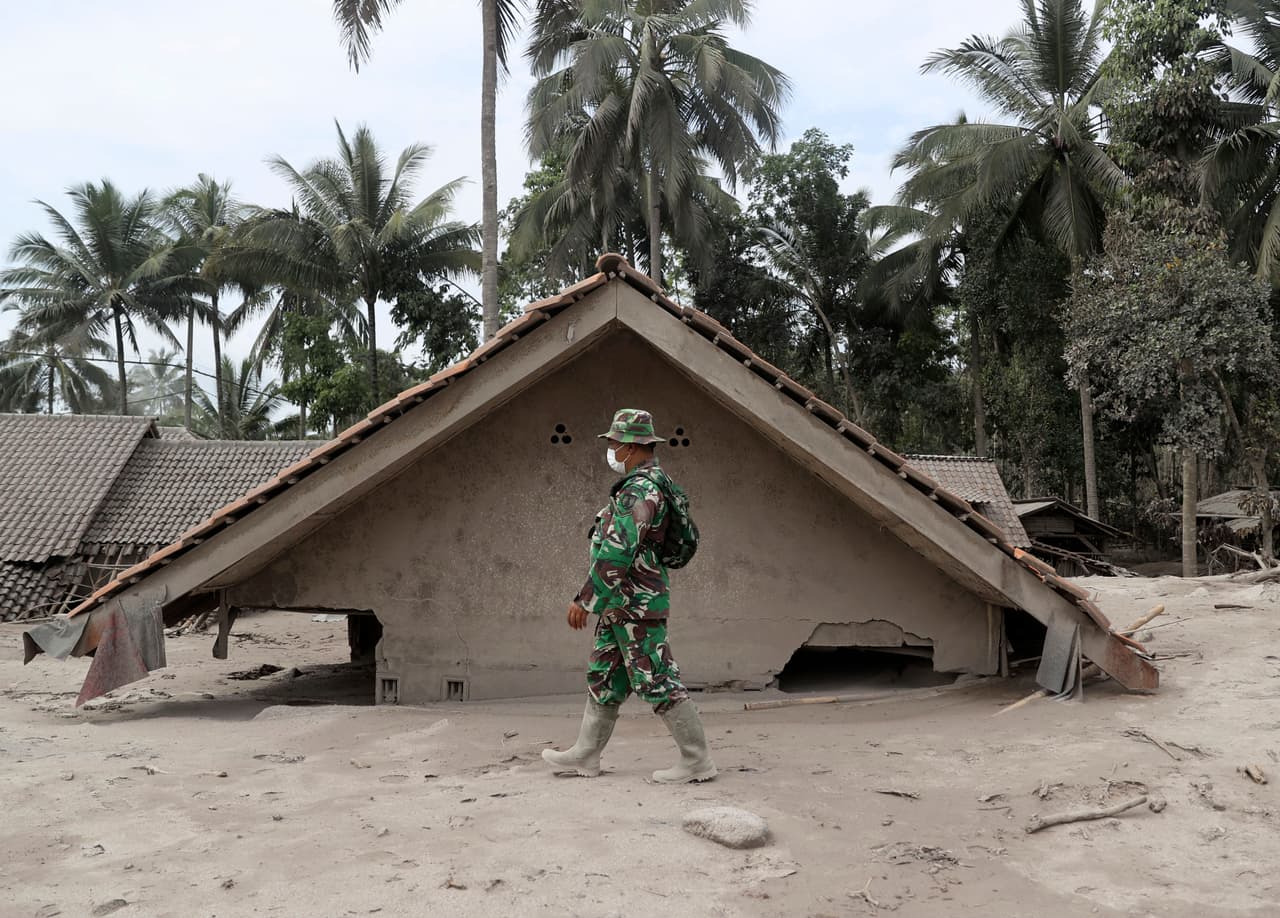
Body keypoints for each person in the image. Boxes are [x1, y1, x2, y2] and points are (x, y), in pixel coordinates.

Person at [542, 409, 716, 783]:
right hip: (619, 604)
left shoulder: (641, 489)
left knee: (657, 678)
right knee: (604, 676)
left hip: (636, 605)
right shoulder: (647, 484)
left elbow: (619, 549)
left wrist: (585, 599)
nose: (612, 450)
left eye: (616, 444)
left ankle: (696, 759)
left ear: (633, 446)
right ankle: (586, 755)